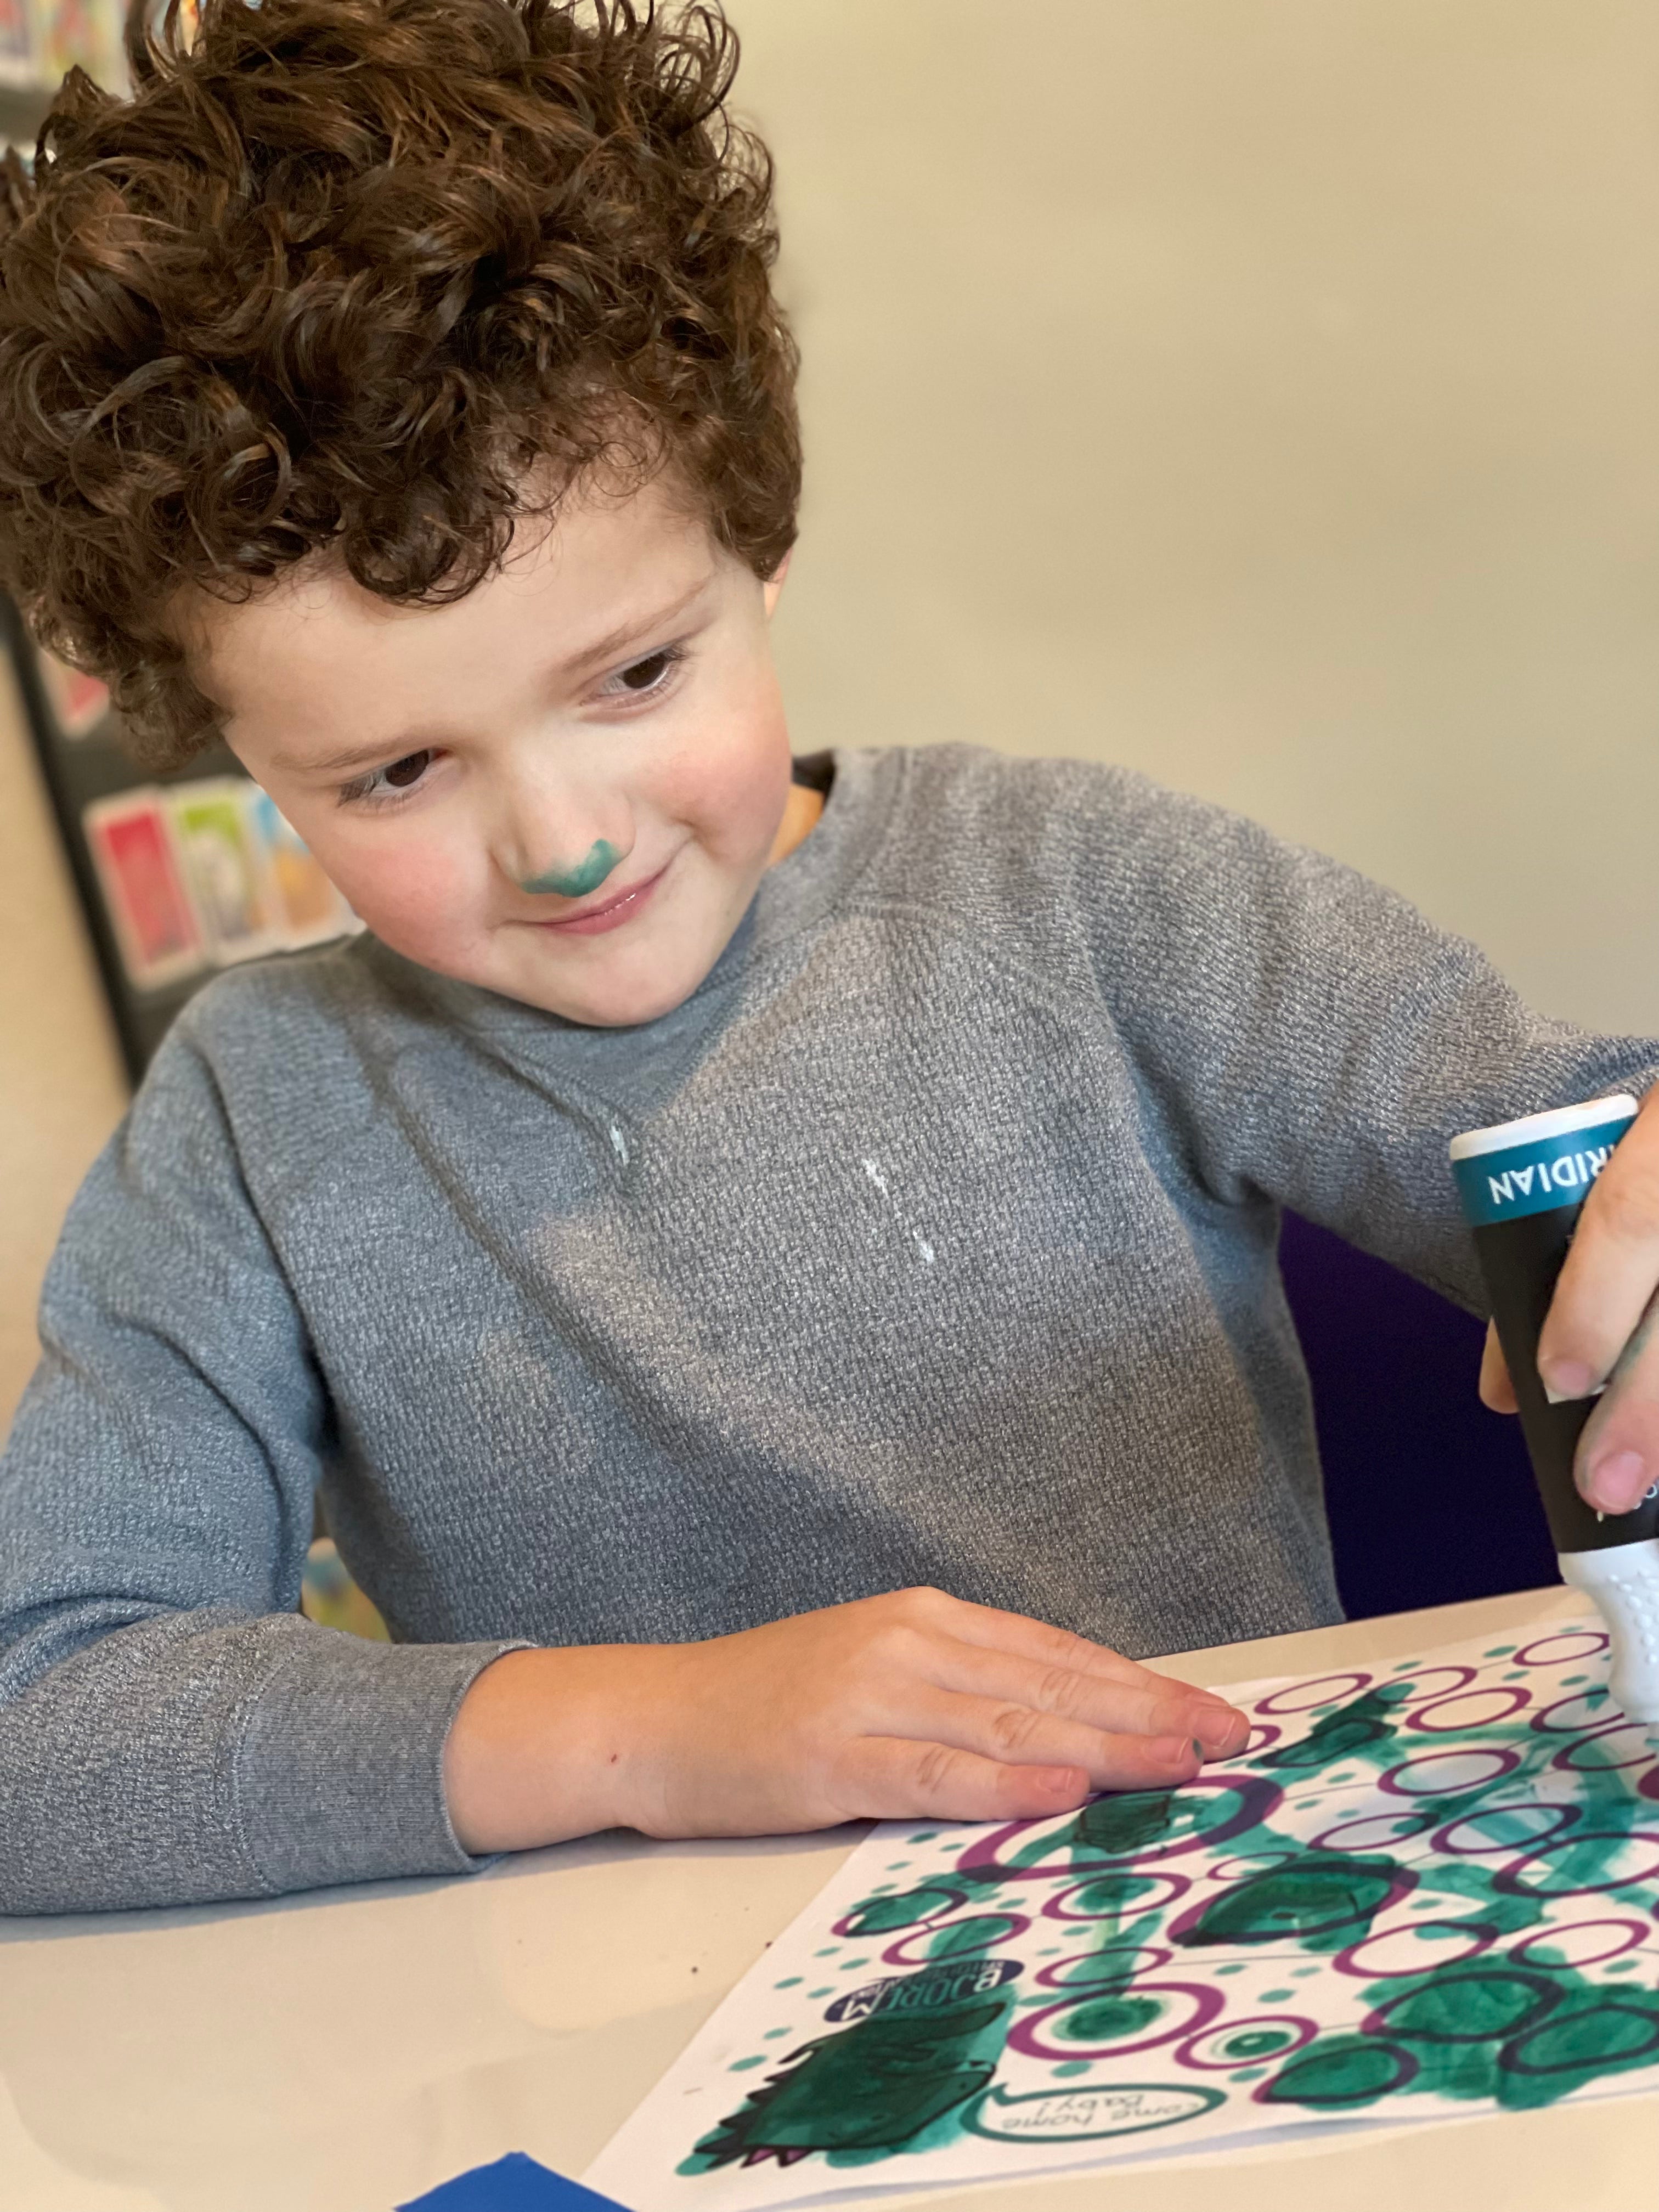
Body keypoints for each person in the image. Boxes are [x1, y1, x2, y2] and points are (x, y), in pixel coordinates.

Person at [1, 0, 1656, 1918]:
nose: (564, 841)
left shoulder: (1081, 893)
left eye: (636, 675)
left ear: (759, 538)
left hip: (1225, 1948)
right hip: (639, 2051)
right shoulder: (251, 1120)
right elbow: (40, 1720)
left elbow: (1591, 1159)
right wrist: (651, 1731)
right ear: (230, 750)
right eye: (395, 773)